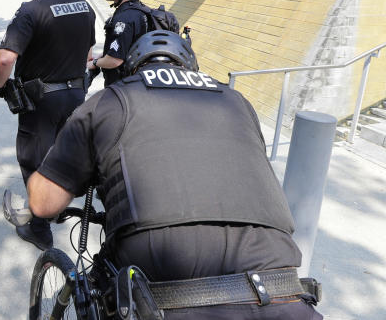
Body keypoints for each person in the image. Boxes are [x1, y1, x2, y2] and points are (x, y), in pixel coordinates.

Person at [26, 31, 323, 319]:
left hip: (165, 297)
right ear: (191, 67)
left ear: (133, 68)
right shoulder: (238, 102)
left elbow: (43, 204)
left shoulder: (108, 102)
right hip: (281, 291)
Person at [0, 0, 96, 250]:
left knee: (33, 158)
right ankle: (57, 206)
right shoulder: (85, 8)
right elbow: (88, 55)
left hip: (41, 101)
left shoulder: (31, 10)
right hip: (76, 95)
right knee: (63, 153)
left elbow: (5, 59)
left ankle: (39, 228)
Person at [88, 0, 150, 86]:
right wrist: (101, 56)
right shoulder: (139, 9)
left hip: (122, 87)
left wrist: (94, 63)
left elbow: (115, 60)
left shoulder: (123, 20)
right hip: (137, 82)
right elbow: (124, 47)